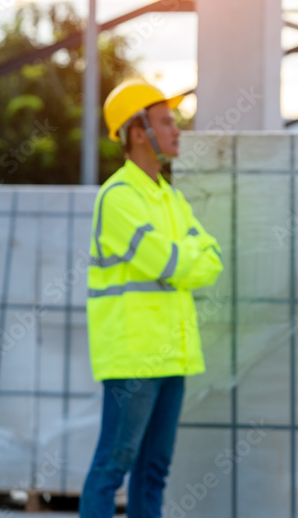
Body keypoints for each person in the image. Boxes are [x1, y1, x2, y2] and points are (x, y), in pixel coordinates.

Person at [81, 79, 223, 518]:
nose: (177, 130)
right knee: (113, 467)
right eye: (166, 122)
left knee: (153, 471)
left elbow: (212, 261)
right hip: (134, 358)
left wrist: (186, 260)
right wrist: (186, 259)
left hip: (173, 356)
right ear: (138, 131)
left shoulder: (170, 198)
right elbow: (172, 264)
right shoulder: (118, 198)